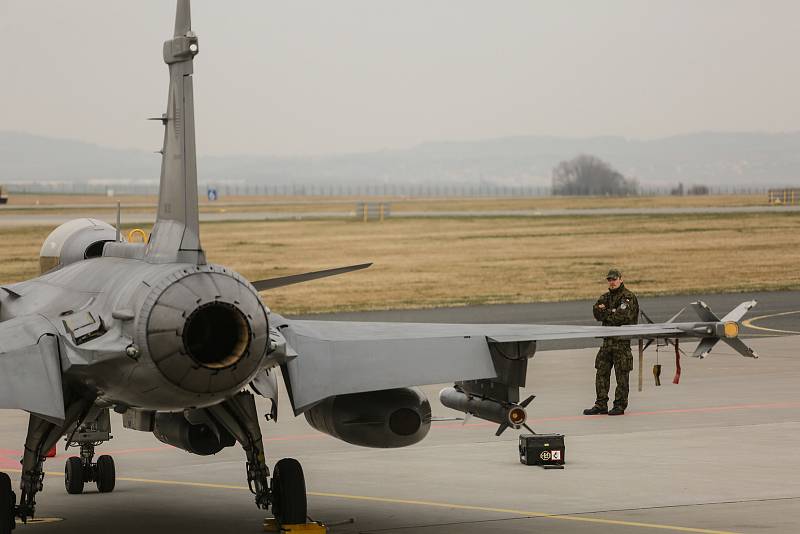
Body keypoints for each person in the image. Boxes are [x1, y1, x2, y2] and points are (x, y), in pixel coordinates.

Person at [583, 269, 639, 416]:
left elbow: (621, 317)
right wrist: (611, 312)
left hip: (621, 343)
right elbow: (596, 312)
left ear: (621, 279)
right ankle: (601, 404)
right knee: (601, 373)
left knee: (621, 376)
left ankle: (620, 405)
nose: (612, 282)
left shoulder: (628, 297)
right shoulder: (605, 296)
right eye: (609, 280)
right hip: (607, 342)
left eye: (614, 279)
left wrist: (607, 312)